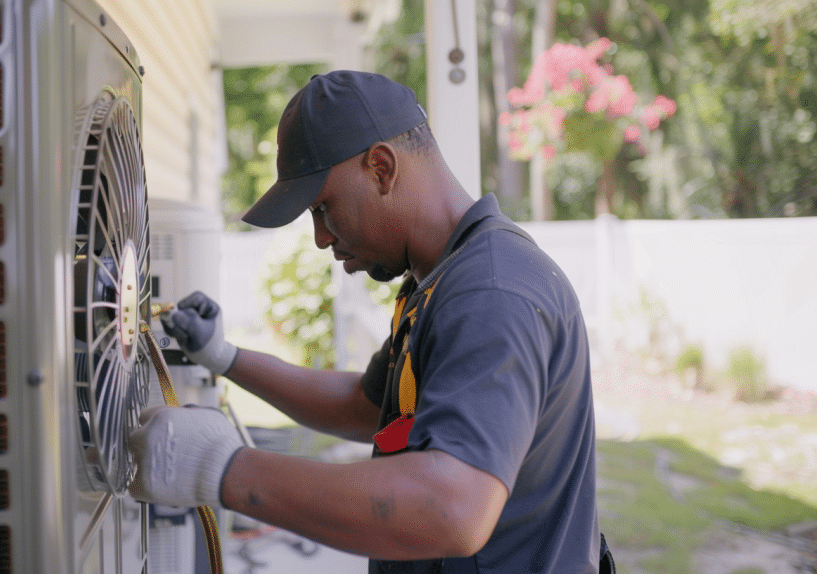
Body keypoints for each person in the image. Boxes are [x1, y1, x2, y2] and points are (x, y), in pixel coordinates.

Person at [129, 70, 612, 573]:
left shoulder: (491, 292)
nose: (319, 237)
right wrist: (225, 357)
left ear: (381, 168)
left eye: (323, 207)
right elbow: (366, 407)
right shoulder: (437, 278)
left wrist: (223, 469)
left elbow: (452, 507)